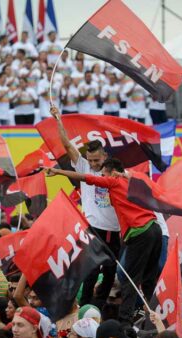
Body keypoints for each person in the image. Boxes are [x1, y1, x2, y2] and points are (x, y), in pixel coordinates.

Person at [46, 158, 162, 325]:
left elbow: (87, 178)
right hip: (154, 229)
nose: (101, 176)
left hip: (140, 232)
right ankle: (155, 319)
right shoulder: (133, 181)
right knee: (149, 279)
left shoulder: (115, 181)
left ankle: (125, 323)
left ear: (113, 172)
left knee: (130, 279)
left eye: (103, 174)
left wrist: (59, 172)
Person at [50, 106, 121, 307]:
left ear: (104, 156)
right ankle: (85, 306)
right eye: (89, 160)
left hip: (114, 231)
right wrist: (58, 120)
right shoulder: (83, 166)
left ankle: (98, 308)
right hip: (92, 228)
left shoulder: (114, 171)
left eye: (96, 160)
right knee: (90, 271)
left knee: (109, 271)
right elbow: (67, 145)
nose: (92, 164)